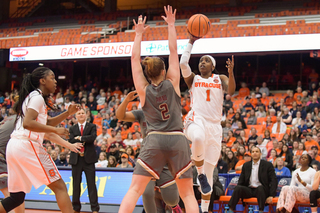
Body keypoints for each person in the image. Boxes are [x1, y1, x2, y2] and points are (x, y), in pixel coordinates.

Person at [118, 7, 198, 213]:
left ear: (148, 73)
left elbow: (134, 59)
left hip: (154, 139)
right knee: (188, 195)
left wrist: (138, 34)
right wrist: (171, 24)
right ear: (164, 70)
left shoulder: (143, 90)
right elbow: (173, 51)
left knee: (134, 190)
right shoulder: (173, 82)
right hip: (177, 139)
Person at [0, 67, 82, 213]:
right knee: (60, 187)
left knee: (16, 198)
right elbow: (28, 123)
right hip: (27, 144)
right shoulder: (36, 97)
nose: (56, 81)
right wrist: (56, 130)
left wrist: (67, 114)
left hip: (15, 146)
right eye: (52, 78)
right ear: (42, 80)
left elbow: (46, 123)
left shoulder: (33, 97)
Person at [180, 18, 235, 213]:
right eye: (200, 60)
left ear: (212, 66)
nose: (201, 63)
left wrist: (231, 72)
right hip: (196, 119)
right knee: (197, 137)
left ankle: (203, 210)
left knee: (211, 176)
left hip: (215, 126)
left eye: (205, 61)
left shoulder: (220, 78)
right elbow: (183, 62)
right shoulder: (193, 79)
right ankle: (200, 174)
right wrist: (191, 41)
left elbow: (232, 91)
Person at [116, 91, 182, 213]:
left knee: (171, 199)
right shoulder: (141, 113)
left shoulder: (167, 112)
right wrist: (126, 101)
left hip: (165, 159)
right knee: (146, 193)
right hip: (148, 156)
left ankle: (174, 206)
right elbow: (120, 116)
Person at [228, 146, 277, 213]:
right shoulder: (246, 165)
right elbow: (241, 181)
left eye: (257, 151)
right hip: (249, 190)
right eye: (253, 152)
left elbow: (273, 180)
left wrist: (271, 195)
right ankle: (230, 210)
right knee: (238, 188)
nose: (255, 153)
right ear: (251, 154)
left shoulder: (267, 165)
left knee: (260, 188)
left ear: (260, 154)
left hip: (262, 190)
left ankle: (261, 210)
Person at [69, 109, 99, 213]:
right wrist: (83, 139)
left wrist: (80, 138)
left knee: (91, 185)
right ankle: (76, 208)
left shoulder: (92, 126)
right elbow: (70, 140)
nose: (81, 115)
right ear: (75, 116)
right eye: (79, 113)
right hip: (76, 160)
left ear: (86, 115)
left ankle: (95, 209)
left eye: (82, 113)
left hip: (89, 160)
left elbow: (92, 137)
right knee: (75, 185)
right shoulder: (72, 128)